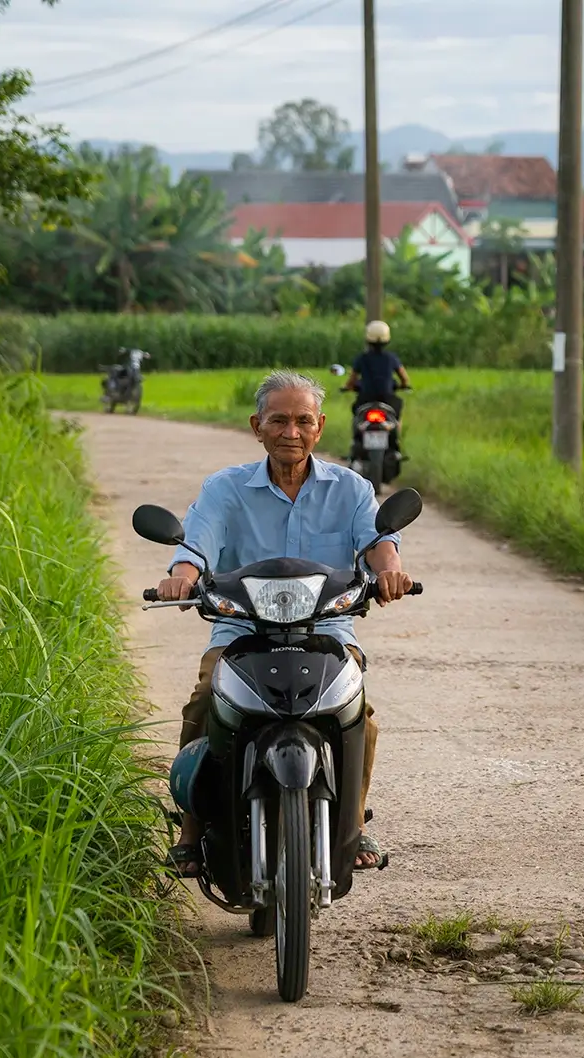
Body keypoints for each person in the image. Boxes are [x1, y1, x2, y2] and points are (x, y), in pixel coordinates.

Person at [155, 370, 413, 875]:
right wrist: (182, 576)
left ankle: (353, 822)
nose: (290, 432)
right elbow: (196, 544)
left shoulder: (352, 488)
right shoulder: (225, 489)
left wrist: (391, 573)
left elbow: (378, 542)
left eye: (302, 421)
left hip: (326, 631)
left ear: (319, 427)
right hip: (243, 631)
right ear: (257, 426)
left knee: (358, 715)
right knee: (206, 702)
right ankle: (190, 826)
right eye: (278, 420)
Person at [341, 319, 411, 423]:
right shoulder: (391, 358)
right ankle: (397, 437)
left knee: (356, 412)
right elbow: (404, 378)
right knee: (397, 414)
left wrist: (347, 387)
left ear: (368, 338)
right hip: (387, 399)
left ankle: (356, 436)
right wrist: (403, 385)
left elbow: (352, 380)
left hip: (365, 399)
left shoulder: (362, 358)